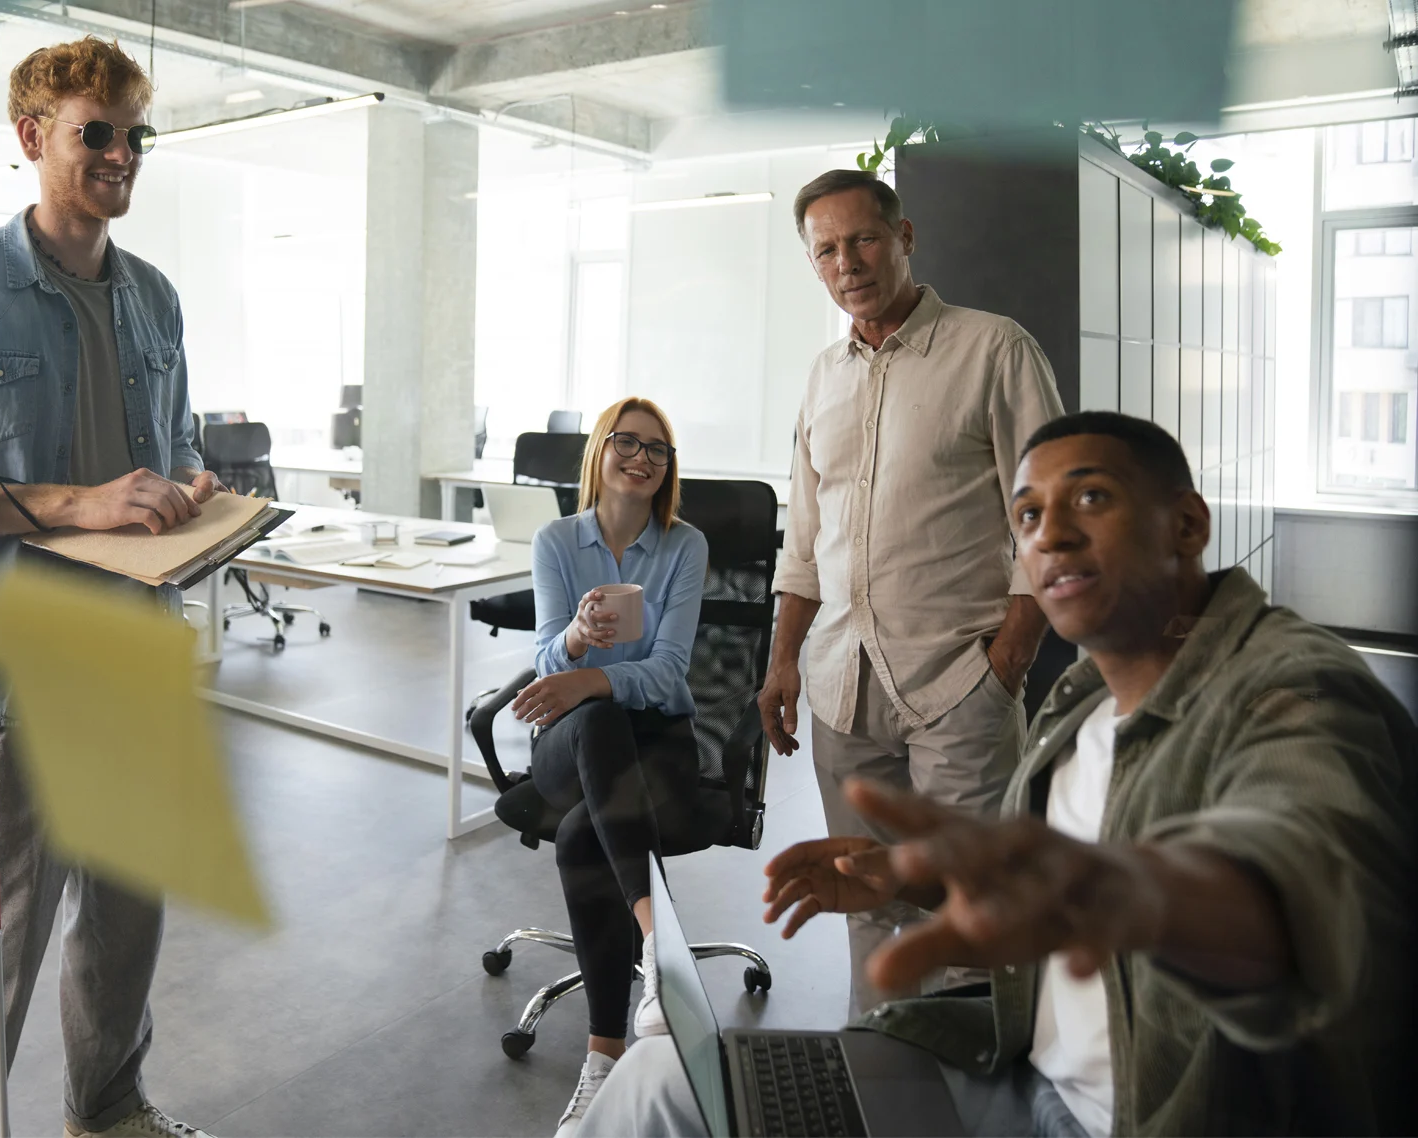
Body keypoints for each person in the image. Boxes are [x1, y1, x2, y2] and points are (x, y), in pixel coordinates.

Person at [580, 412, 1416, 1137]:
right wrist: (912, 881)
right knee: (658, 1079)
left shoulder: (1295, 686)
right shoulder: (1082, 705)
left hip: (1141, 1116)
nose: (1048, 533)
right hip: (1015, 1065)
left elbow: (1313, 886)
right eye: (1026, 513)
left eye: (1091, 497)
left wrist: (1123, 894)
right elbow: (1051, 900)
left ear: (1187, 525)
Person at [0, 37, 222, 1138]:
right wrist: (83, 503)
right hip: (12, 685)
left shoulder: (155, 299)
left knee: (125, 931)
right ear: (32, 137)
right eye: (97, 132)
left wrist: (194, 484)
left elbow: (176, 443)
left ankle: (108, 1111)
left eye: (135, 135)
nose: (122, 154)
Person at [758, 169, 1064, 1011]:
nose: (847, 262)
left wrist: (1005, 663)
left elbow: (1050, 521)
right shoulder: (823, 377)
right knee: (864, 899)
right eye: (826, 250)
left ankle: (978, 1098)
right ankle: (878, 1079)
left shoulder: (993, 349)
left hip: (957, 682)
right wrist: (784, 661)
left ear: (904, 237)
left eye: (862, 239)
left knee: (969, 910)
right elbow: (805, 538)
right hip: (841, 687)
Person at [520, 397, 710, 1137]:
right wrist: (573, 642)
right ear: (599, 451)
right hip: (575, 742)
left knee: (578, 839)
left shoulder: (683, 546)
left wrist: (593, 678)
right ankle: (661, 943)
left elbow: (669, 673)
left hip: (659, 739)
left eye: (657, 450)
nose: (642, 458)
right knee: (596, 721)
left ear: (668, 470)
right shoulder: (556, 541)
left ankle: (602, 1059)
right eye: (626, 443)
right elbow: (541, 660)